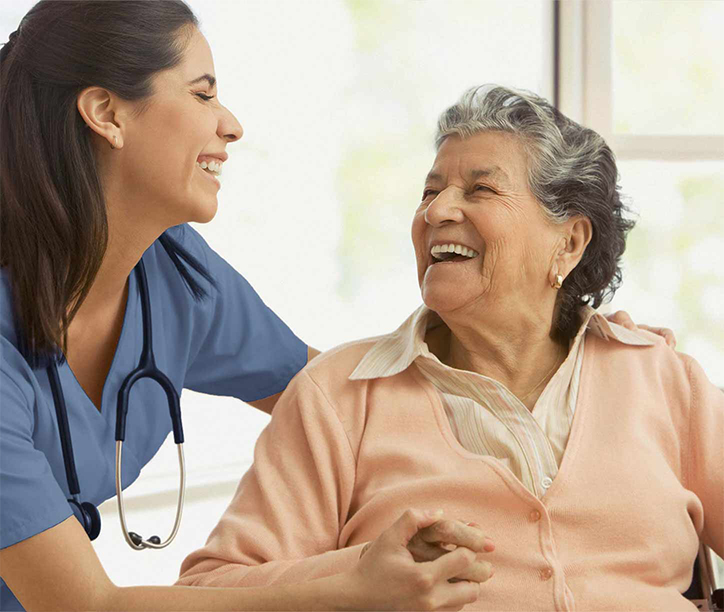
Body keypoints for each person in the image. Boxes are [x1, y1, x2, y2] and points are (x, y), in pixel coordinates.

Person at [0, 1, 672, 609]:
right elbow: (86, 605)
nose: (231, 125)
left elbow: (337, 396)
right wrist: (350, 588)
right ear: (107, 113)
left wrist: (557, 365)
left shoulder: (175, 277)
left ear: (571, 242)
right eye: (203, 93)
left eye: (482, 190)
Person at [175, 85, 722, 611]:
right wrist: (355, 575)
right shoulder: (340, 396)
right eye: (430, 192)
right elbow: (212, 589)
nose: (437, 212)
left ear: (569, 243)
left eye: (480, 190)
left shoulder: (663, 379)